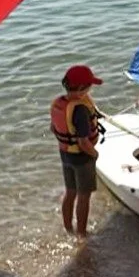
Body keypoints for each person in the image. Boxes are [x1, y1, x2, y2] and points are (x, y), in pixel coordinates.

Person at [51, 64, 103, 237]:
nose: (90, 89)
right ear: (81, 88)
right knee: (84, 195)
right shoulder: (80, 109)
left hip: (65, 155)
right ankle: (81, 232)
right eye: (89, 86)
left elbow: (54, 128)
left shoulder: (61, 103)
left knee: (70, 192)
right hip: (82, 157)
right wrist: (94, 154)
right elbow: (82, 141)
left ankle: (68, 227)